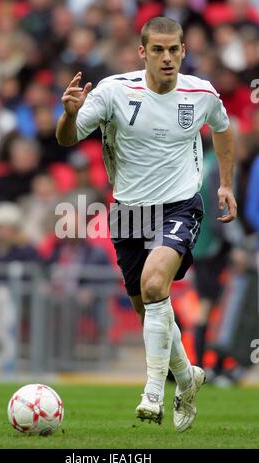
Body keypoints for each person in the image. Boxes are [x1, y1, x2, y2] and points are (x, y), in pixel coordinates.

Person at [56, 16, 237, 432]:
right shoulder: (114, 92)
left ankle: (154, 390)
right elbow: (66, 139)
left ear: (183, 51)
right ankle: (187, 376)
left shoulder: (201, 93)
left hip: (179, 206)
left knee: (156, 287)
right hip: (129, 212)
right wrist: (68, 115)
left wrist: (225, 184)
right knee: (147, 308)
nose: (167, 57)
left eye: (174, 49)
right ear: (143, 53)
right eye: (158, 50)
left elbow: (224, 130)